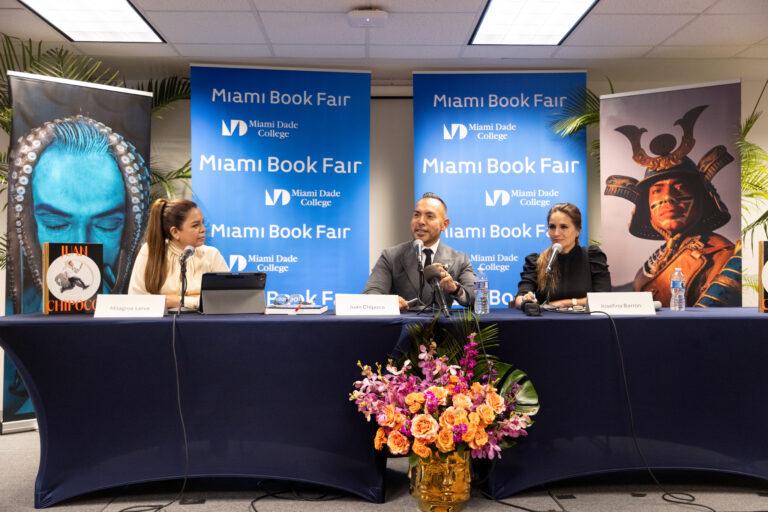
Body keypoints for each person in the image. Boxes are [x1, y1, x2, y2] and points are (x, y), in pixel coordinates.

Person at [6, 115, 150, 314]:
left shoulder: (142, 310)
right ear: (30, 226)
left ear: (129, 229)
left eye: (107, 225)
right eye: (55, 224)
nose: (81, 244)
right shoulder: (17, 315)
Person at [604, 104, 740, 307]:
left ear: (703, 197)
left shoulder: (721, 255)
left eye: (680, 188)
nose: (667, 198)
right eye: (657, 190)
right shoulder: (656, 259)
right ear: (646, 207)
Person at [364, 192, 475, 311]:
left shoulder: (460, 259)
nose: (421, 221)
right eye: (416, 215)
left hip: (441, 327)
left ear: (444, 225)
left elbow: (477, 298)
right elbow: (371, 293)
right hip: (402, 327)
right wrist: (390, 303)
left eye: (429, 216)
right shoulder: (391, 256)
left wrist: (455, 289)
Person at [129, 198, 228, 309]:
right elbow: (136, 299)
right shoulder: (150, 251)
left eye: (202, 223)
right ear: (175, 232)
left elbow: (227, 298)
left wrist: (171, 301)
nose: (203, 229)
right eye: (195, 225)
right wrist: (195, 301)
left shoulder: (212, 254)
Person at [513, 203, 611, 309]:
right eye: (552, 227)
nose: (556, 233)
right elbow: (520, 296)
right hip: (546, 323)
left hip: (586, 323)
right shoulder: (535, 261)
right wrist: (525, 300)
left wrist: (563, 303)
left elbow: (603, 298)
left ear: (578, 231)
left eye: (563, 227)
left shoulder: (593, 257)